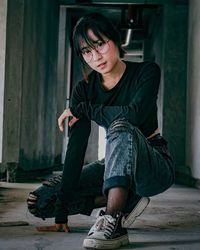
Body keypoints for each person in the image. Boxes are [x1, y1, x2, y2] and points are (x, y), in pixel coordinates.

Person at [27, 12, 175, 249]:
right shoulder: (84, 89)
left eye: (100, 44)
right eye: (86, 51)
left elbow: (133, 115)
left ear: (115, 39)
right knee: (42, 201)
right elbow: (76, 148)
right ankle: (128, 197)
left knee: (121, 123)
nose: (95, 56)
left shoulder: (146, 72)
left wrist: (83, 109)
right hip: (114, 163)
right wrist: (61, 216)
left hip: (153, 163)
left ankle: (113, 219)